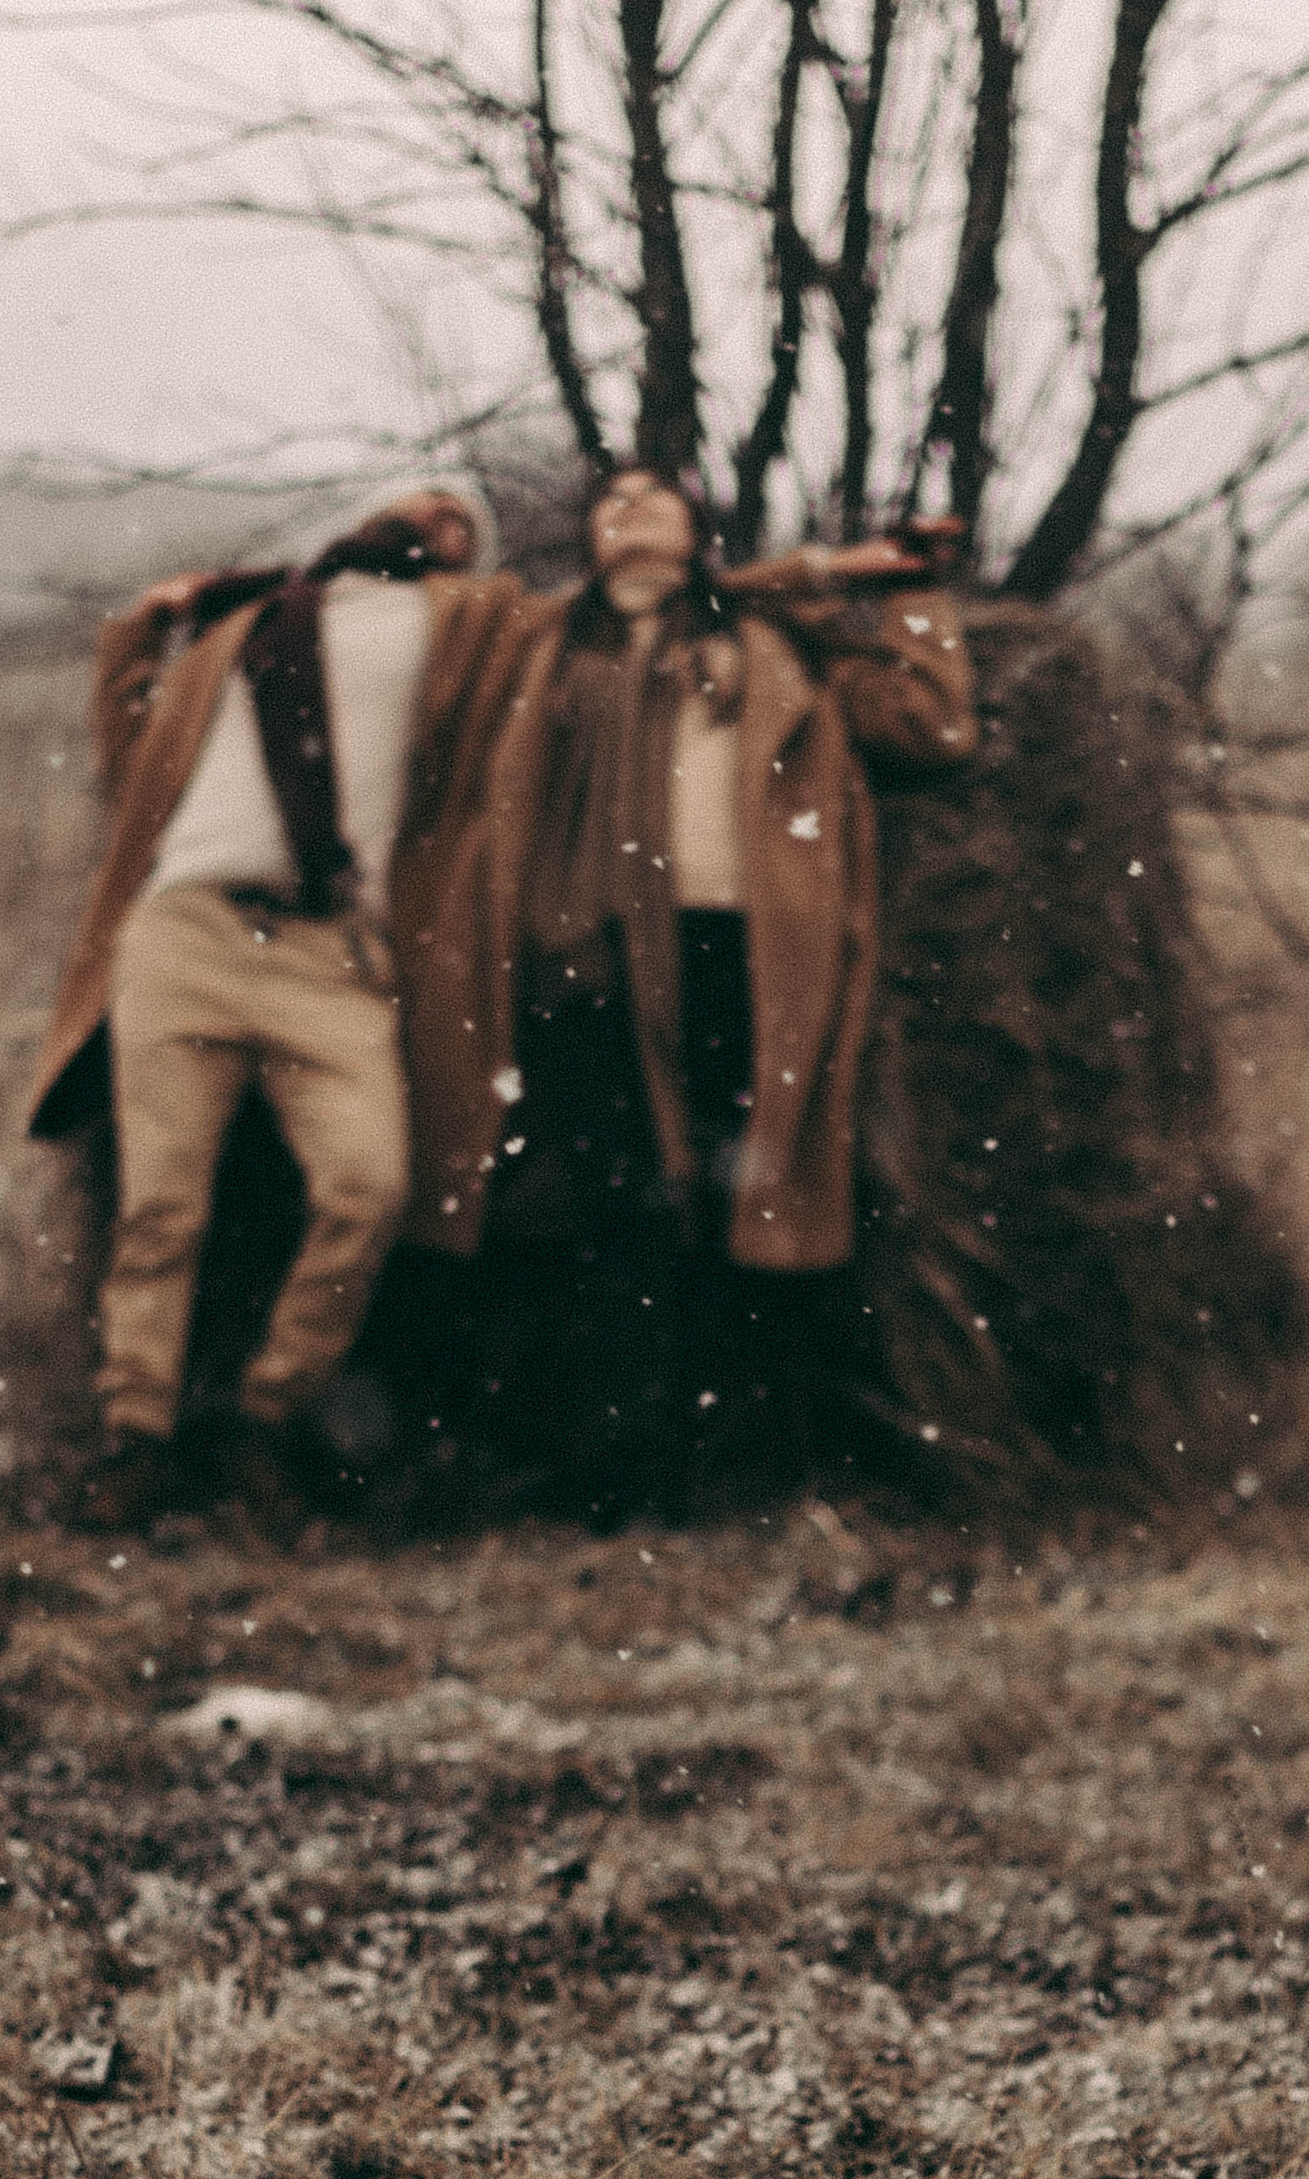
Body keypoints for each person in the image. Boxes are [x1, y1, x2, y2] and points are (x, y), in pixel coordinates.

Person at [394, 469, 977, 1519]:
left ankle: (737, 1464)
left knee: (744, 1207)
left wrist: (908, 592)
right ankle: (622, 1472)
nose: (628, 507)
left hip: (742, 953)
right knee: (620, 1208)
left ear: (701, 530)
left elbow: (929, 727)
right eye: (609, 498)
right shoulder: (545, 645)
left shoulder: (770, 644)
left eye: (655, 496)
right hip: (590, 950)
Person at [27, 480, 536, 1532]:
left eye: (461, 522)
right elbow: (133, 760)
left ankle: (272, 1415)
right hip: (190, 933)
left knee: (370, 1187)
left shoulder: (460, 627)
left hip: (331, 951)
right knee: (160, 1207)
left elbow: (598, 609)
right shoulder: (252, 625)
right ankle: (137, 1439)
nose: (436, 517)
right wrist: (145, 627)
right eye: (421, 500)